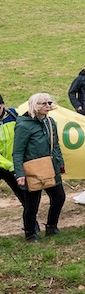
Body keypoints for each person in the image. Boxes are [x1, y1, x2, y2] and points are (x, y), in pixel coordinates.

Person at [12, 93, 66, 241]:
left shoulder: (50, 122)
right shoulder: (23, 125)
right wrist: (20, 173)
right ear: (34, 106)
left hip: (50, 166)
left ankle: (51, 226)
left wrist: (60, 163)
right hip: (32, 169)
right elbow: (18, 151)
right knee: (32, 204)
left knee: (59, 197)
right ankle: (30, 233)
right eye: (43, 103)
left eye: (49, 103)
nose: (47, 106)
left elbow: (55, 144)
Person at [0, 94, 27, 235]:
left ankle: (31, 225)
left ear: (3, 105)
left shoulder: (14, 114)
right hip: (6, 165)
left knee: (25, 197)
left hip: (14, 163)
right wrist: (11, 166)